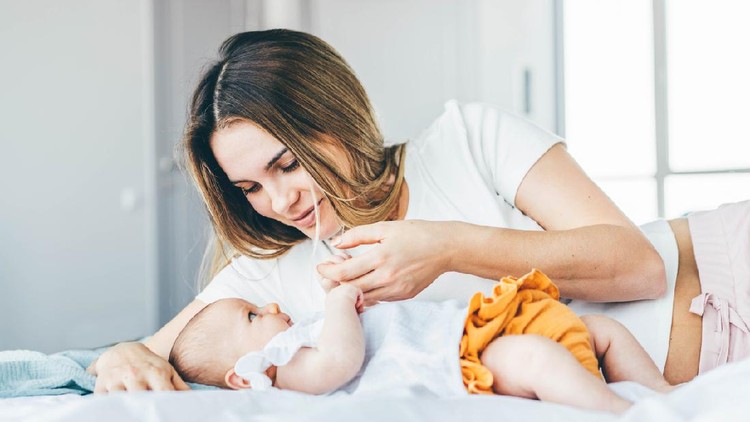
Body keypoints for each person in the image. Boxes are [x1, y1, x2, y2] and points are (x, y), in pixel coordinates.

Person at [87, 28, 750, 391]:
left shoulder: (468, 139)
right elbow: (146, 351)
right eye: (250, 188)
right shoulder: (276, 274)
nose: (280, 201)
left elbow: (638, 265)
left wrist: (449, 247)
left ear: (335, 118)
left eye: (287, 164)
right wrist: (117, 358)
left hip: (725, 266)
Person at [168, 270, 673, 414]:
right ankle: (620, 412)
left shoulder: (294, 338)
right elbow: (341, 363)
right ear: (242, 375)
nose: (274, 308)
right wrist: (340, 306)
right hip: (457, 362)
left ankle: (667, 396)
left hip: (471, 333)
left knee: (601, 331)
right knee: (538, 359)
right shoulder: (282, 372)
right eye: (254, 315)